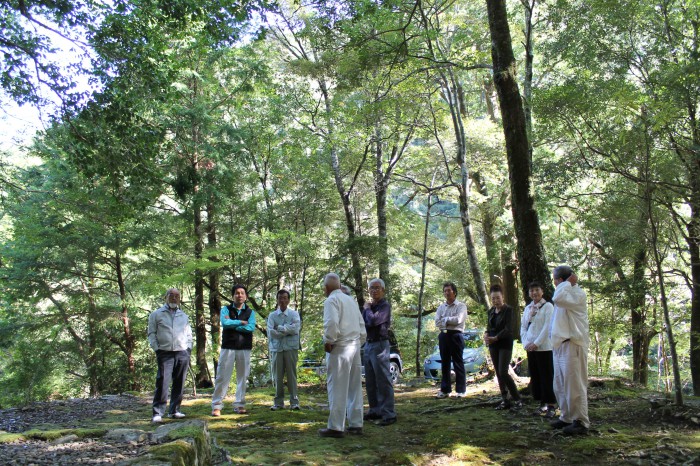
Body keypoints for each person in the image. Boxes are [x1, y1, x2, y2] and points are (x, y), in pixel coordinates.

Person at [319, 273, 367, 438]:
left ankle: (336, 426)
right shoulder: (350, 300)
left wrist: (329, 340)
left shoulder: (331, 300)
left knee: (337, 386)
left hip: (339, 347)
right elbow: (362, 325)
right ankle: (356, 423)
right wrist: (358, 342)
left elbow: (331, 323)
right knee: (354, 386)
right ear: (339, 286)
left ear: (326, 288)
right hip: (354, 346)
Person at [550, 265, 590, 435]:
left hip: (573, 343)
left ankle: (581, 421)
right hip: (560, 345)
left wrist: (566, 283)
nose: (554, 283)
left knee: (575, 385)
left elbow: (558, 298)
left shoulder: (576, 293)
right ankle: (566, 416)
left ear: (560, 280)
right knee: (560, 384)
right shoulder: (563, 293)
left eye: (555, 279)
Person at [147, 288, 193, 423]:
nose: (174, 298)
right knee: (163, 382)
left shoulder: (183, 316)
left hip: (182, 352)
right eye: (171, 295)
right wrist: (157, 348)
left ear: (179, 299)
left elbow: (189, 334)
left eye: (177, 296)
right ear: (166, 297)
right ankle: (157, 413)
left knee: (179, 382)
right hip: (165, 352)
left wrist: (188, 349)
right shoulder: (156, 314)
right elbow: (151, 333)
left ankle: (174, 410)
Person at [211, 284, 256, 416]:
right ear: (233, 296)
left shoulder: (250, 312)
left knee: (243, 376)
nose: (239, 295)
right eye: (237, 293)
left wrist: (233, 324)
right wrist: (241, 323)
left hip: (244, 348)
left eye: (242, 293)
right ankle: (217, 405)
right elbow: (225, 324)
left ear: (246, 296)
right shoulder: (225, 309)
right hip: (228, 347)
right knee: (222, 376)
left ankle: (240, 404)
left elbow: (251, 328)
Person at [362, 278, 397, 426]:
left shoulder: (384, 306)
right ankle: (374, 410)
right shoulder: (370, 306)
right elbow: (365, 323)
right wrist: (369, 314)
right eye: (372, 288)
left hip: (380, 344)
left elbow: (374, 321)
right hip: (368, 344)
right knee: (370, 380)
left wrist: (368, 310)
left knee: (383, 379)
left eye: (377, 288)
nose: (374, 290)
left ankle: (389, 413)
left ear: (383, 290)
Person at [520, 281, 556, 416]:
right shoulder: (527, 308)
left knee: (547, 376)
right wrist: (526, 343)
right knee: (536, 376)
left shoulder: (548, 307)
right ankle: (542, 404)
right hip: (531, 348)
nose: (534, 293)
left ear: (542, 291)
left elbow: (548, 327)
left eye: (536, 290)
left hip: (545, 347)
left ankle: (551, 404)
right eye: (531, 291)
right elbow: (523, 327)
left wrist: (537, 343)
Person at [484, 284, 522, 410]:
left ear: (502, 297)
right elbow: (489, 327)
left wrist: (496, 338)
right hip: (493, 344)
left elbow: (508, 329)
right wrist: (486, 335)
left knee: (503, 371)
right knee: (498, 373)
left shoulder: (508, 310)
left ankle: (517, 398)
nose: (495, 301)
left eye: (498, 298)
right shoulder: (491, 311)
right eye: (493, 298)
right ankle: (505, 399)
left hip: (504, 343)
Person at [267, 289, 301, 411]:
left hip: (291, 348)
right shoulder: (272, 316)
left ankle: (294, 402)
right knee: (277, 376)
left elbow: (296, 329)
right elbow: (271, 332)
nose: (282, 300)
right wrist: (287, 330)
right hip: (276, 349)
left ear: (288, 300)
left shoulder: (294, 314)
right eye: (280, 298)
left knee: (292, 375)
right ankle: (278, 402)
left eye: (285, 298)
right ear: (277, 299)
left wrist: (280, 328)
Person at [434, 282, 468, 398]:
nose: (447, 293)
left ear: (454, 292)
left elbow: (459, 320)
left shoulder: (461, 306)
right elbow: (437, 322)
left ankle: (461, 390)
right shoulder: (441, 307)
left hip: (456, 335)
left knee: (458, 362)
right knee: (445, 363)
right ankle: (445, 390)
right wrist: (447, 321)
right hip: (443, 335)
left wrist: (446, 319)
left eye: (449, 290)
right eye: (445, 291)